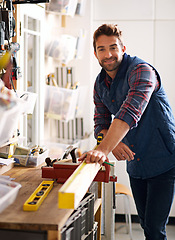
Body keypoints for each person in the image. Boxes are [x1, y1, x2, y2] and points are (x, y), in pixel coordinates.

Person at [79, 23, 175, 240]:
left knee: (154, 228)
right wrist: (111, 143)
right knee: (145, 224)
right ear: (95, 53)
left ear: (123, 48)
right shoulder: (99, 83)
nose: (108, 54)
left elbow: (130, 112)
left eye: (113, 47)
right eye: (101, 49)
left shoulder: (142, 71)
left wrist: (104, 149)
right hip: (136, 163)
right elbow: (100, 122)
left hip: (164, 161)